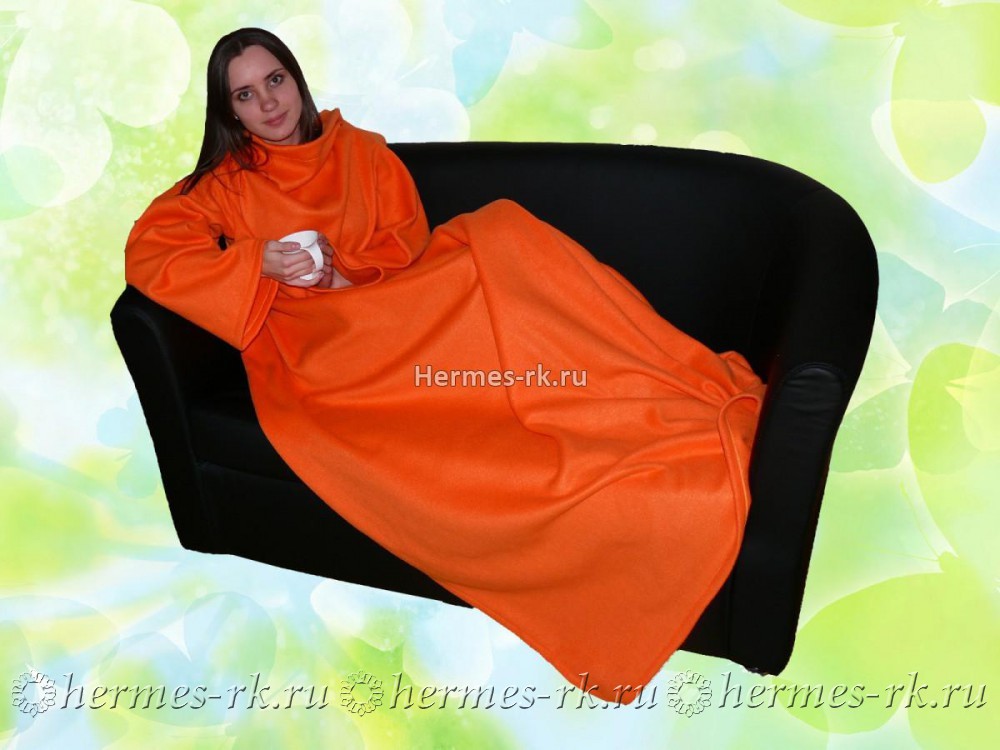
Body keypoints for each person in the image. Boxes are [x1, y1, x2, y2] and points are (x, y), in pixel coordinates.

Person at [125, 27, 766, 706]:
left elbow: (404, 248)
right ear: (229, 112)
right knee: (489, 257)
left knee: (503, 231)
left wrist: (343, 274)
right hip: (324, 353)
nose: (268, 103)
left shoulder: (361, 153)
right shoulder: (222, 188)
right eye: (245, 95)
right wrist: (258, 261)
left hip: (394, 310)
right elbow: (150, 251)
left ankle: (651, 384)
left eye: (275, 80)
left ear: (296, 78)